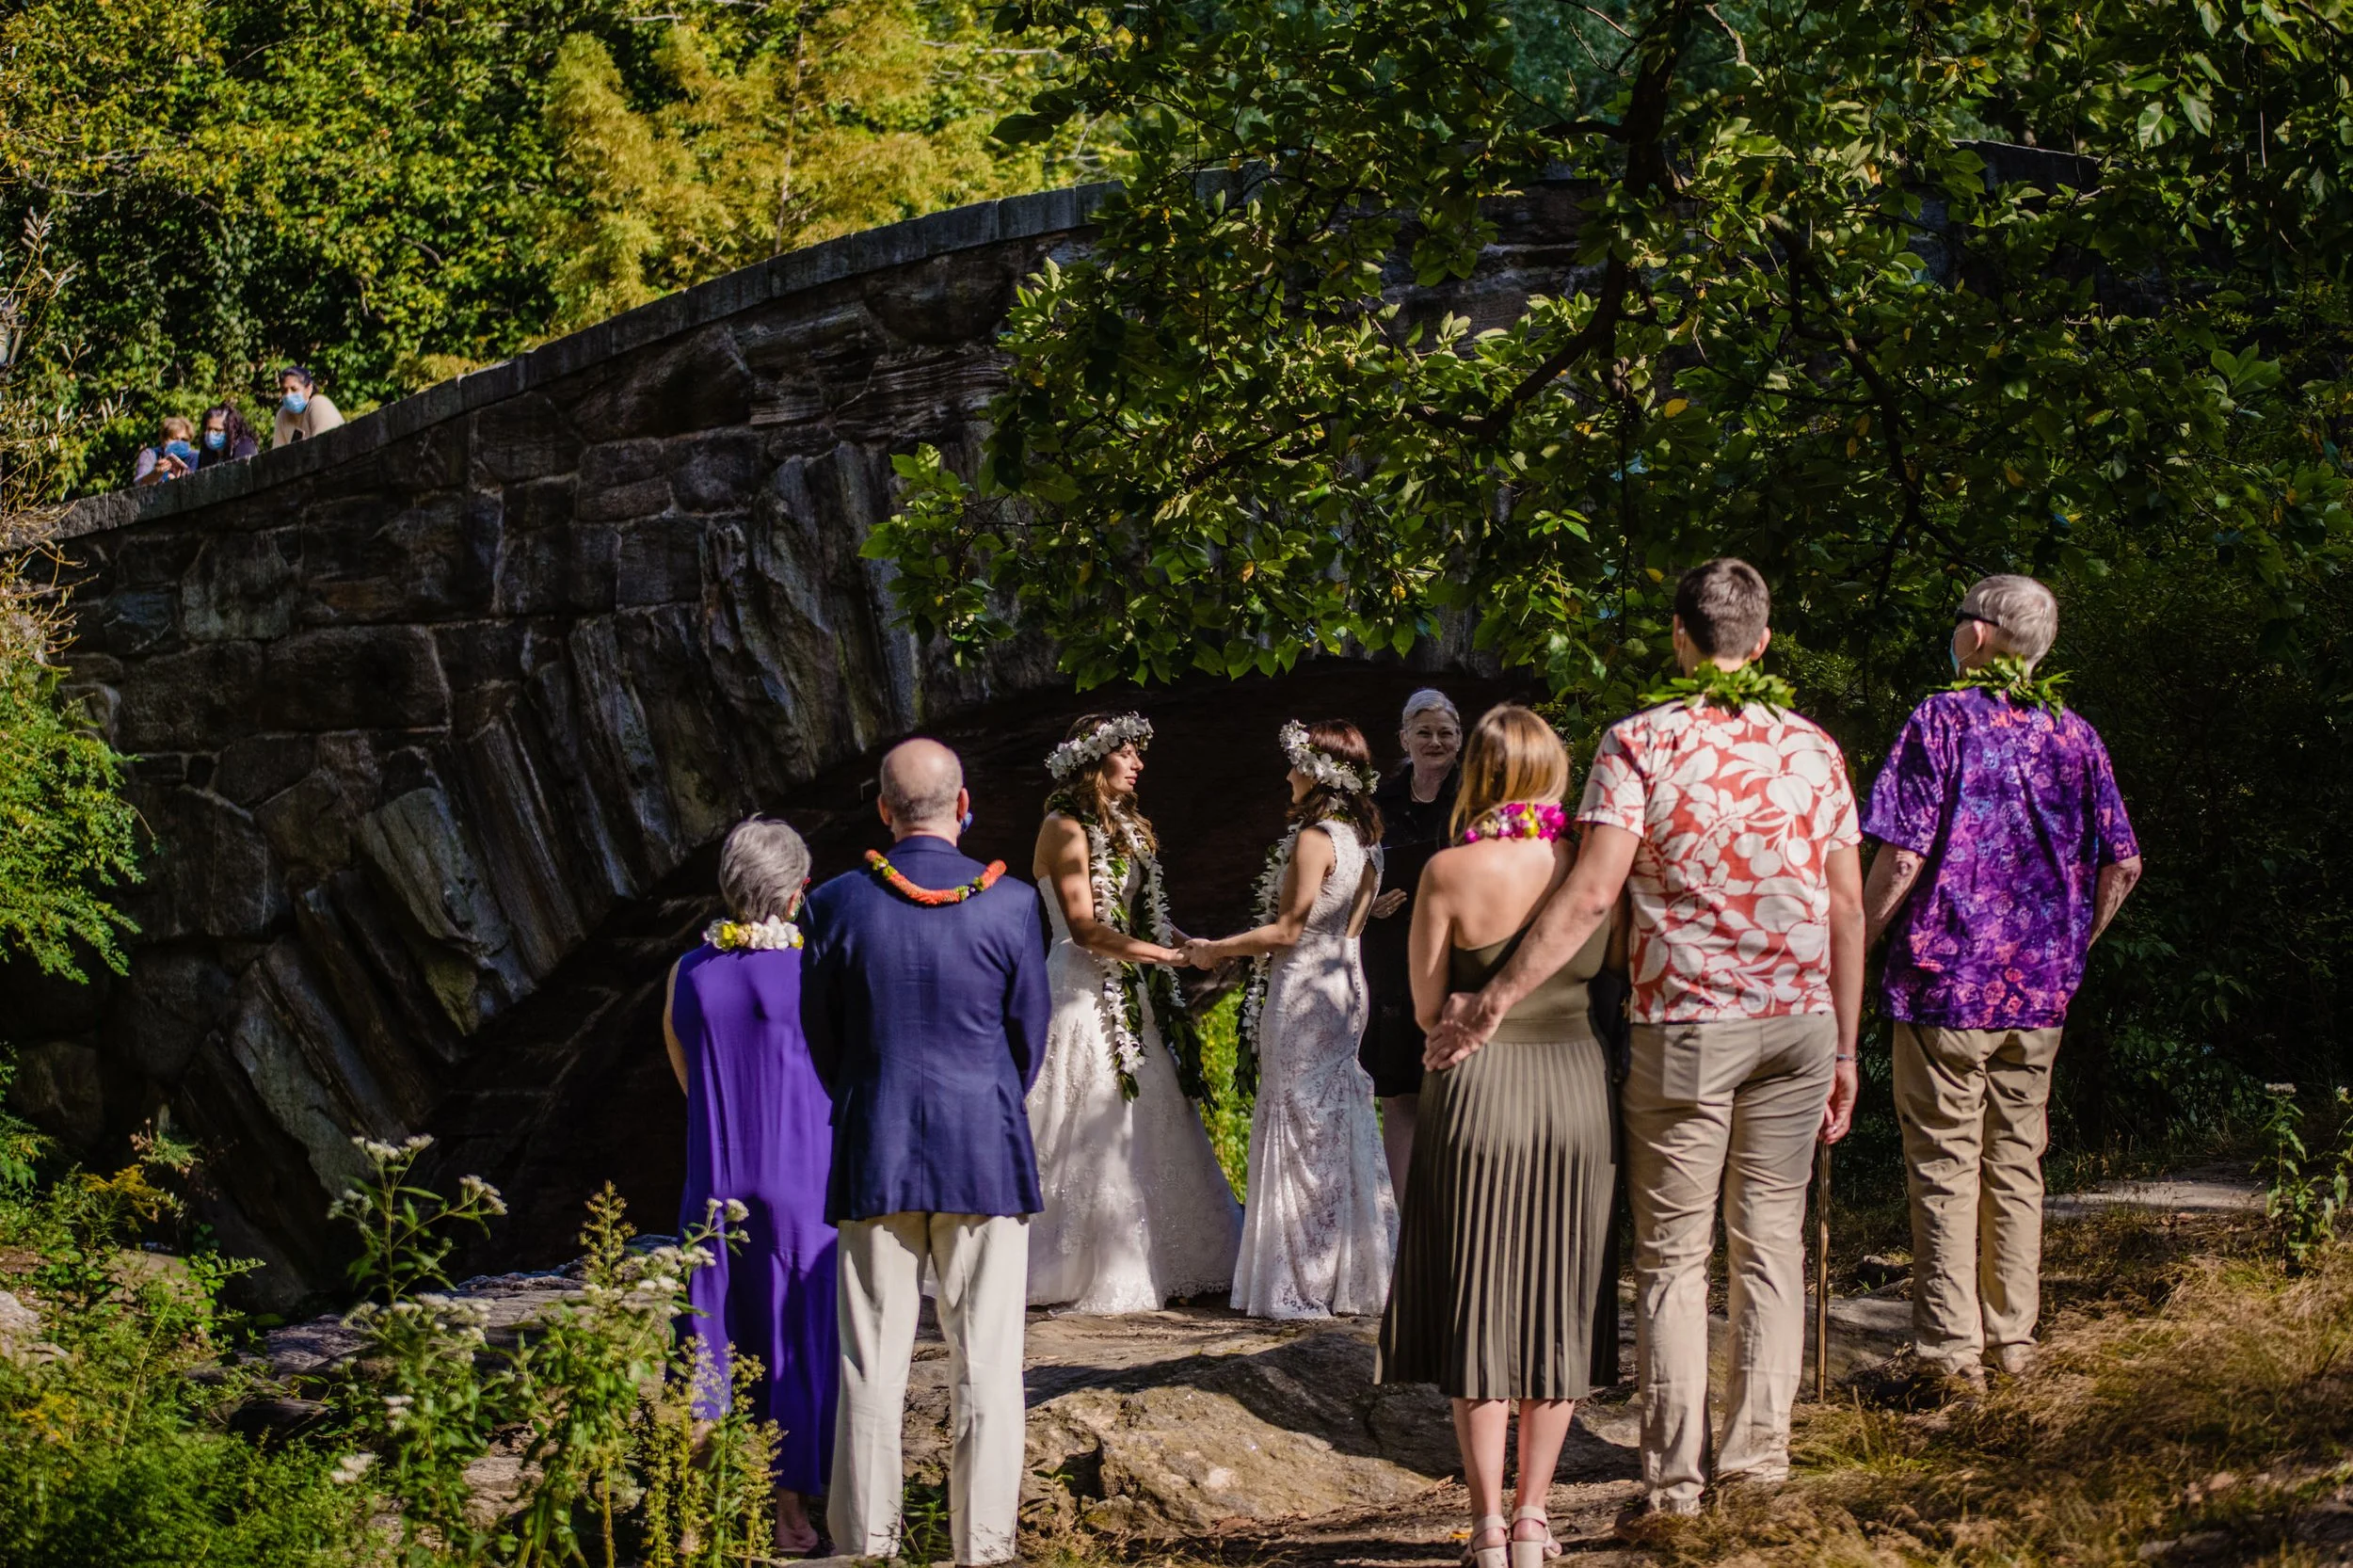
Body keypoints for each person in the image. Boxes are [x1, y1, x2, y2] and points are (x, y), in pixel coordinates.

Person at [1429, 559, 1865, 1524]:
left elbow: (1590, 893)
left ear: (1679, 637)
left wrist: (1492, 997)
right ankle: (1756, 1468)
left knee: (1672, 1258)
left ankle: (1672, 1486)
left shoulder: (1637, 744)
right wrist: (1845, 1047)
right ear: (1762, 643)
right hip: (1799, 1024)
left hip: (1688, 1025)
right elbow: (1843, 905)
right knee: (1770, 1247)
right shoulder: (1814, 750)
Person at [1862, 575, 2142, 1388]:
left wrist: (1855, 942)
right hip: (2040, 993)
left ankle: (1952, 1355)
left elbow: (1904, 855)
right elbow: (2123, 863)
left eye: (1959, 620)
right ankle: (2013, 1341)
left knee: (1947, 1164)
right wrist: (2068, 947)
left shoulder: (1941, 720)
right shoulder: (2075, 734)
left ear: (1980, 637)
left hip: (1946, 983)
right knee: (2018, 1161)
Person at [1378, 705, 1618, 1568]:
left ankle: (1482, 1525)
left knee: (1478, 1300)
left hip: (1473, 1094)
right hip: (1572, 1092)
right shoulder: (1587, 868)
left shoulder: (1445, 871)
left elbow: (1424, 1003)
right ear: (1554, 772)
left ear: (1477, 775)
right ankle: (1533, 1518)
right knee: (1558, 1301)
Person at [800, 738, 1050, 1568]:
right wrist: (981, 1102)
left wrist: (871, 1096)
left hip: (876, 1145)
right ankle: (981, 1549)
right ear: (963, 803)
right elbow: (1029, 1040)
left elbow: (823, 1040)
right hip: (983, 1146)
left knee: (870, 1359)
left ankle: (866, 1547)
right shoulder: (1011, 902)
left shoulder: (835, 903)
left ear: (882, 809)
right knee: (987, 1360)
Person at [1027, 712, 1242, 1313]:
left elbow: (1140, 915)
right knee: (1085, 1112)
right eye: (1129, 753)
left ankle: (1170, 1255)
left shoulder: (1124, 829)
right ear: (1095, 760)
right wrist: (1168, 957)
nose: (1140, 764)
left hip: (1133, 995)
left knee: (1150, 1111)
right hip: (1078, 991)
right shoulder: (1063, 828)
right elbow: (1086, 928)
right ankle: (1069, 1262)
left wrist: (1191, 942)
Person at [664, 816, 837, 1554]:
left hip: (715, 1175)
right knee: (793, 1328)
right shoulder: (812, 965)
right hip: (802, 1177)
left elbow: (684, 1072)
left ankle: (696, 1514)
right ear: (798, 889)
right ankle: (791, 1511)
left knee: (707, 1330)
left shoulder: (686, 972)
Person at [1187, 720, 1395, 1320]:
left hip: (1303, 988)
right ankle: (1350, 1273)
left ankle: (1298, 1278)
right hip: (1346, 982)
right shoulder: (1367, 840)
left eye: (1296, 764)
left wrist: (1212, 947)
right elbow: (1352, 924)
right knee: (1338, 1115)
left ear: (1321, 771)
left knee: (1296, 1114)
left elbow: (1286, 931)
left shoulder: (1315, 837)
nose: (1287, 775)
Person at [1360, 688, 1464, 1194]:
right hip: (1391, 948)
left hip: (1455, 947)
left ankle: (1449, 1201)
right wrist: (1368, 902)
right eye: (1424, 732)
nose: (1435, 741)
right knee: (1399, 1088)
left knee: (1451, 1079)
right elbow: (1349, 870)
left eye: (1446, 733)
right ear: (1404, 738)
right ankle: (1403, 1209)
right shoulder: (1378, 801)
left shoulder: (1474, 796)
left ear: (1460, 740)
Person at [270, 365, 344, 447]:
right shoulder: (282, 415)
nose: (288, 395)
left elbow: (323, 445)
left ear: (309, 389)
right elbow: (277, 453)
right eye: (284, 391)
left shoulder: (319, 403)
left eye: (294, 389)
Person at [133, 416, 200, 486]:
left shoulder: (195, 456)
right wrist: (156, 473)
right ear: (163, 440)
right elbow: (139, 483)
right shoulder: (150, 454)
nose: (179, 442)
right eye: (174, 439)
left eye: (184, 439)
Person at [196, 404, 260, 469]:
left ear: (231, 430)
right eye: (208, 429)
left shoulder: (245, 446)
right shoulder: (206, 452)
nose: (211, 434)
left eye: (217, 430)